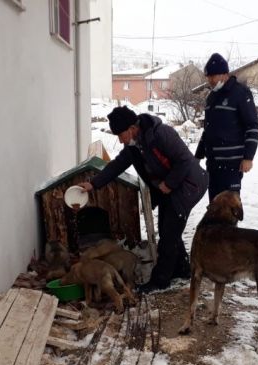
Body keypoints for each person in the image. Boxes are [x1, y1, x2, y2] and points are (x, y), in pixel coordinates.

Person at [78, 106, 208, 294]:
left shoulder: (161, 134)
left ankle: (161, 280)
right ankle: (182, 269)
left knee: (169, 232)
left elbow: (186, 161)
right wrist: (93, 184)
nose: (120, 139)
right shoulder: (134, 146)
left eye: (121, 134)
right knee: (166, 227)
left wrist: (169, 184)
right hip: (170, 187)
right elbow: (116, 166)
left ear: (132, 127)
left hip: (189, 184)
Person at [196, 52, 258, 201]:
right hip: (213, 164)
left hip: (232, 164)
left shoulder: (240, 93)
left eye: (213, 76)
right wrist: (198, 155)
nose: (210, 80)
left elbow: (253, 126)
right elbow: (208, 130)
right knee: (214, 206)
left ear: (225, 74)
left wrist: (248, 157)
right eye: (208, 77)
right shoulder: (212, 97)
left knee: (228, 208)